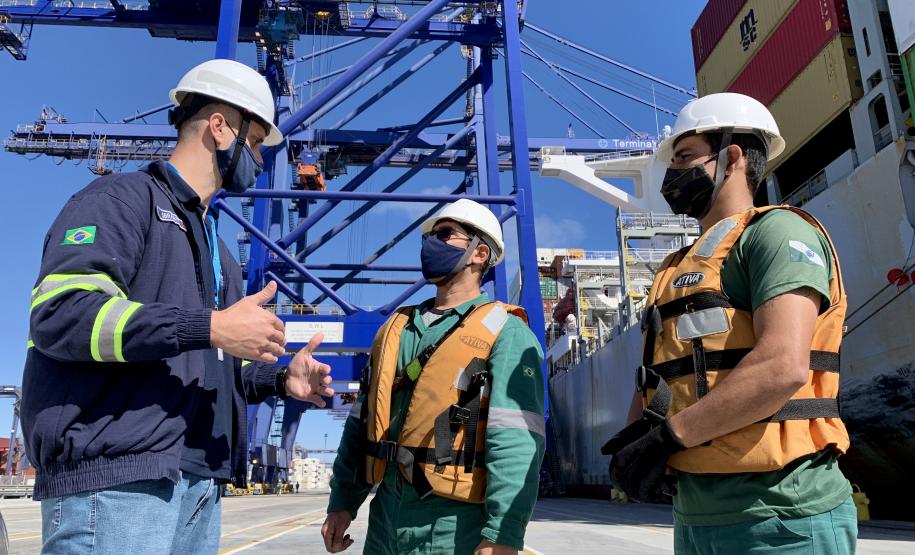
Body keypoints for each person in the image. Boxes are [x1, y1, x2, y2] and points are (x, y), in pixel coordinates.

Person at [21, 59, 334, 554]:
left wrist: (279, 380)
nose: (258, 158)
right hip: (117, 482)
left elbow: (200, 360)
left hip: (197, 483)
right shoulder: (121, 200)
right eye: (254, 143)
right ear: (220, 128)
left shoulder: (218, 251)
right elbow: (63, 314)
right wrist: (208, 325)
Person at [602, 92, 857, 554]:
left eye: (684, 157)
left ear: (732, 157)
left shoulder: (775, 233)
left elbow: (783, 366)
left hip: (782, 517)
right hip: (696, 515)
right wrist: (635, 442)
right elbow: (661, 374)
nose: (673, 174)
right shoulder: (674, 269)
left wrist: (669, 438)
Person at [321, 199, 545, 554]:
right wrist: (342, 503)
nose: (430, 244)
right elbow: (361, 424)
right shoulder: (396, 330)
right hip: (385, 521)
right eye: (429, 237)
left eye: (445, 234)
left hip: (453, 527)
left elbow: (516, 441)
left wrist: (503, 534)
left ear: (479, 253)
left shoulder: (507, 333)